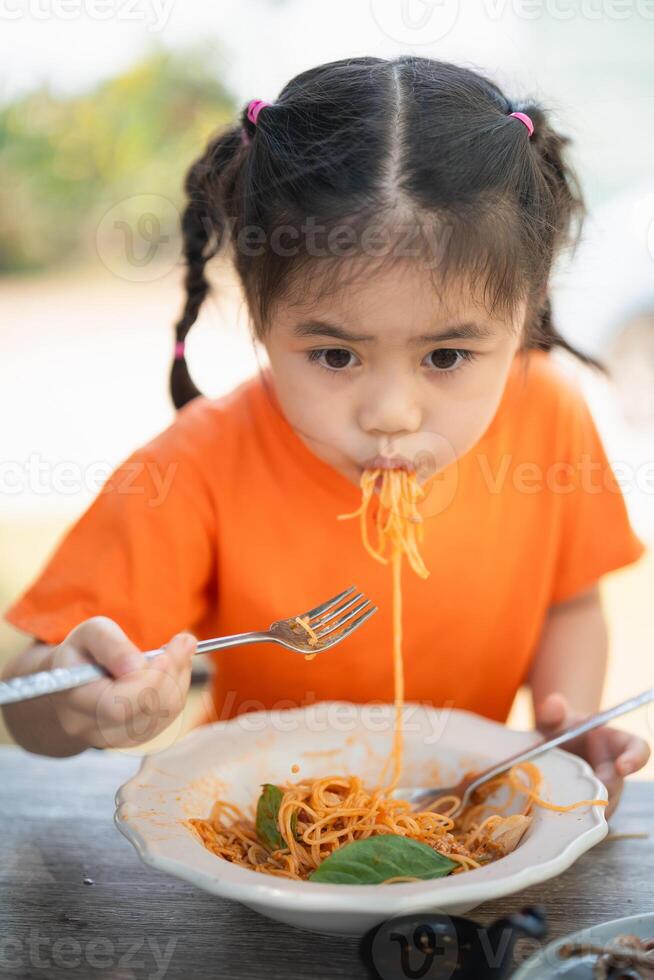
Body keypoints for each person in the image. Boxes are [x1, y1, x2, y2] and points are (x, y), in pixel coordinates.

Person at [2, 56, 649, 818]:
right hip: (256, 829)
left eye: (446, 356)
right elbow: (24, 697)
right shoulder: (197, 467)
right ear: (258, 307)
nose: (391, 413)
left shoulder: (547, 416)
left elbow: (569, 604)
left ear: (527, 309)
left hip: (464, 816)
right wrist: (78, 702)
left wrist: (563, 725)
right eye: (336, 355)